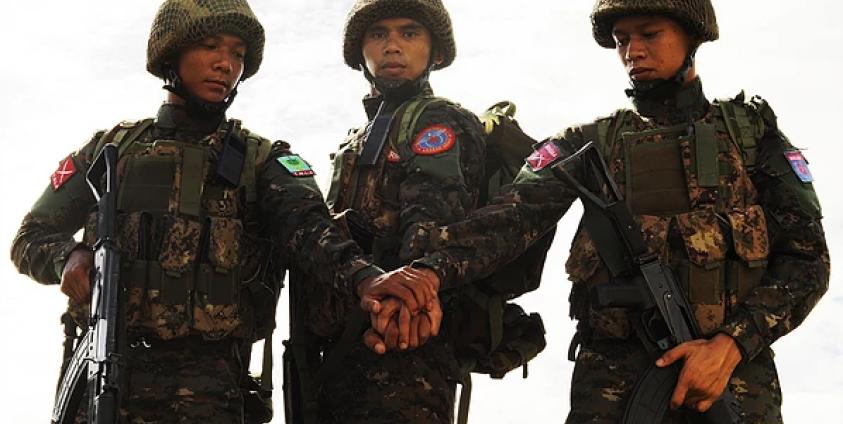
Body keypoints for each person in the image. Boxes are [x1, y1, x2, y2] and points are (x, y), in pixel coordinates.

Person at [365, 0, 830, 422]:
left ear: (693, 36)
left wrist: (732, 344)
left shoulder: (751, 134)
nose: (633, 51)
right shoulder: (588, 143)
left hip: (733, 383)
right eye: (622, 40)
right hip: (611, 383)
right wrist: (425, 274)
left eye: (650, 34)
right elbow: (510, 220)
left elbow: (808, 261)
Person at [8, 1, 408, 422]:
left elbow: (311, 231)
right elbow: (30, 236)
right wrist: (68, 257)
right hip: (101, 380)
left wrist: (366, 279)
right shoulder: (109, 151)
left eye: (238, 54)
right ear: (171, 53)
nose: (225, 64)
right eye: (210, 46)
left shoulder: (263, 161)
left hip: (208, 394)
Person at [314, 0, 487, 422]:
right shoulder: (357, 140)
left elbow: (431, 224)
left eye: (409, 33)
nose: (392, 46)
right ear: (360, 52)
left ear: (436, 52)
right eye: (378, 34)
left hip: (406, 347)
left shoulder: (438, 120)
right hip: (345, 347)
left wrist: (398, 313)